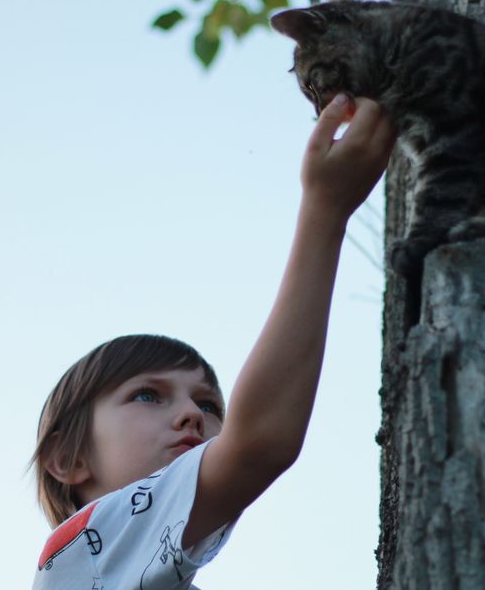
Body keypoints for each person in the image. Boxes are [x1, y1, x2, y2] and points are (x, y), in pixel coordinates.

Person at [30, 94, 396, 589]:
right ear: (68, 459)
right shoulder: (91, 545)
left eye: (209, 403)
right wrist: (325, 211)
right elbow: (260, 441)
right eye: (146, 395)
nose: (193, 416)